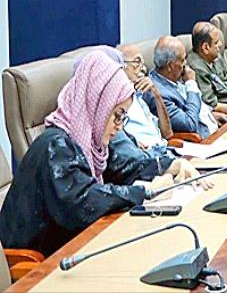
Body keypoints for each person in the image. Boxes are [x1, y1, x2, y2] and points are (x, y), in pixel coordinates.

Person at [0, 52, 210, 257]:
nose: (119, 126)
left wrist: (172, 165)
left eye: (123, 117)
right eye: (117, 115)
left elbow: (123, 168)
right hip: (35, 264)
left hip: (73, 248)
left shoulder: (90, 141)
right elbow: (84, 202)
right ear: (97, 105)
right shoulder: (55, 145)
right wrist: (146, 192)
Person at [147, 36, 226, 139]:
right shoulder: (159, 94)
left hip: (215, 129)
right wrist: (191, 83)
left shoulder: (172, 76)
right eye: (182, 60)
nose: (186, 64)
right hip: (203, 141)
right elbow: (189, 124)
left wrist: (211, 115)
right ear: (170, 66)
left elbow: (192, 105)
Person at [119, 44, 173, 149]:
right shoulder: (118, 101)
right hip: (146, 154)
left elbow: (167, 134)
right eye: (137, 62)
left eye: (143, 63)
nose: (143, 68)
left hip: (164, 150)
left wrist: (156, 95)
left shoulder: (139, 98)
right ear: (121, 65)